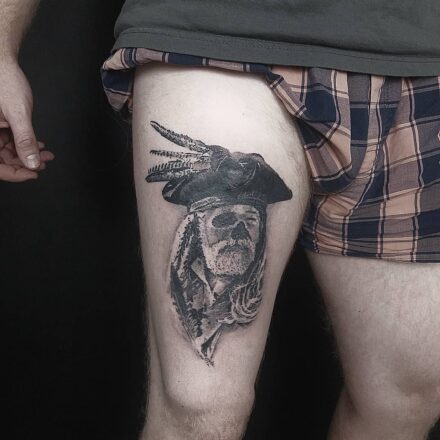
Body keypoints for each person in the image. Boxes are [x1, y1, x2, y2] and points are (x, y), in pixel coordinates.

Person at [3, 1, 440, 439]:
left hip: (418, 51)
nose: (237, 233)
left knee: (407, 396)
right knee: (200, 407)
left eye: (246, 222)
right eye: (222, 222)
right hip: (218, 30)